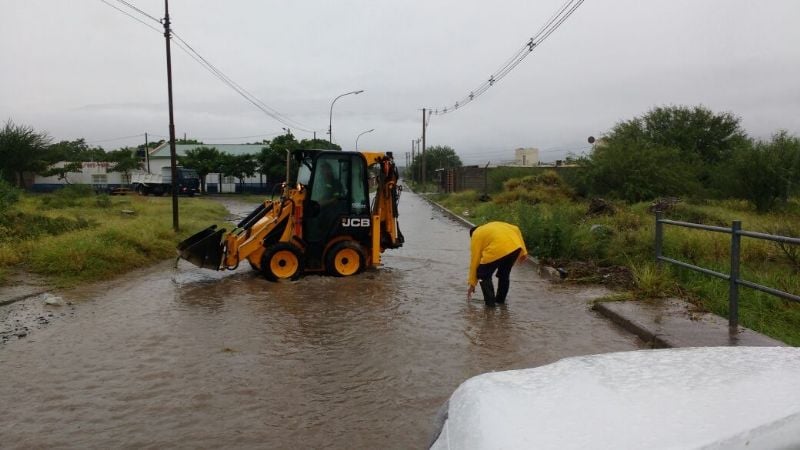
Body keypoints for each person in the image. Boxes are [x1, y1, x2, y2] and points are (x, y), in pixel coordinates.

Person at [467, 221, 528, 307]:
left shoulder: (476, 235)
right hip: (515, 247)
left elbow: (475, 259)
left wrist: (472, 283)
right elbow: (516, 229)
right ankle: (500, 301)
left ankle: (490, 305)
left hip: (499, 248)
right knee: (504, 274)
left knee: (482, 273)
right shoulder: (491, 226)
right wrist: (524, 251)